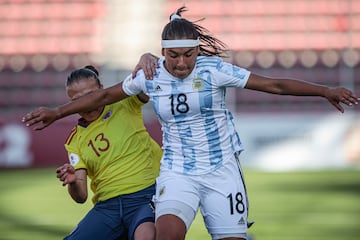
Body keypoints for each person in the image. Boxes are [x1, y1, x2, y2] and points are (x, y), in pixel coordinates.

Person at [23, 7, 359, 240]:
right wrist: (57, 112)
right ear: (162, 53)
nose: (182, 62)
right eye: (174, 55)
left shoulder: (215, 71)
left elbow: (274, 84)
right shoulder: (149, 76)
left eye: (189, 54)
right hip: (177, 171)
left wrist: (324, 90)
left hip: (221, 169)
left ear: (198, 50)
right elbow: (102, 96)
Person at [49, 65, 162, 240]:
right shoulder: (74, 141)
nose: (88, 103)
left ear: (101, 89)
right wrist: (73, 182)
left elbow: (147, 79)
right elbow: (81, 197)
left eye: (91, 95)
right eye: (79, 100)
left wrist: (146, 58)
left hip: (146, 195)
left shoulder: (125, 102)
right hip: (107, 208)